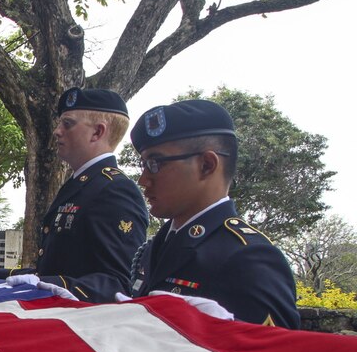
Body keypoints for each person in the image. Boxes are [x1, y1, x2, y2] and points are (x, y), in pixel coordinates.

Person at [128, 99, 299, 328]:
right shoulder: (157, 246)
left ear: (207, 165)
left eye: (155, 163)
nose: (143, 179)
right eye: (144, 165)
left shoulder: (249, 258)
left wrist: (220, 330)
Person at [0, 87, 148, 302]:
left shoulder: (114, 190)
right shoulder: (80, 184)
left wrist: (51, 285)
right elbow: (55, 267)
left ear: (97, 132)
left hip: (80, 324)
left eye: (67, 124)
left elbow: (118, 283)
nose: (57, 131)